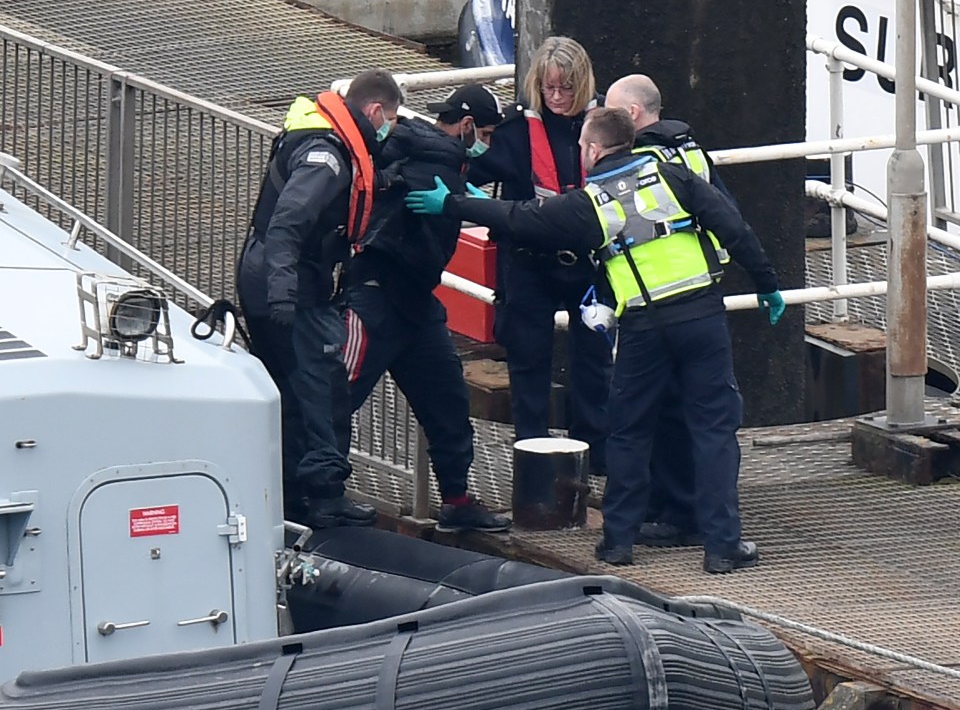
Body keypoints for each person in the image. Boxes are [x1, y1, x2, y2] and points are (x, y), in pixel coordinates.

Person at [405, 107, 786, 574]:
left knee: (628, 432)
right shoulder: (673, 177)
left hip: (644, 328)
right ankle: (723, 546)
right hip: (701, 318)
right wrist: (766, 284)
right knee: (714, 432)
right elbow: (734, 228)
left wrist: (455, 204)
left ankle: (618, 543)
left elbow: (522, 217)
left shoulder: (590, 201)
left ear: (593, 149)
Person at [236, 68, 403, 529]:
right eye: (389, 120)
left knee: (288, 387)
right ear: (374, 111)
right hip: (289, 282)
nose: (389, 129)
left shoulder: (322, 136)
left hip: (270, 274)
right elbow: (290, 221)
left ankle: (288, 490)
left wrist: (387, 181)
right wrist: (284, 292)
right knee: (324, 386)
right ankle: (324, 494)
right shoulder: (326, 157)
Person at [343, 84, 511, 532]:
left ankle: (457, 499)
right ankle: (315, 494)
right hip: (377, 296)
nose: (487, 146)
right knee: (334, 399)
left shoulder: (434, 155)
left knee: (448, 400)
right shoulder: (435, 159)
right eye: (487, 134)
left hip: (416, 300)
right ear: (468, 125)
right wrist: (461, 197)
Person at [466, 36, 612, 475]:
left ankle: (596, 461)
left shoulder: (606, 124)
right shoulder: (514, 130)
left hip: (589, 266)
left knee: (594, 364)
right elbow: (470, 167)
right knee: (528, 364)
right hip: (528, 263)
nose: (557, 98)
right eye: (549, 89)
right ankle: (532, 461)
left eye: (566, 89)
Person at [605, 73, 735, 549]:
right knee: (708, 423)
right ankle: (713, 531)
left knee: (639, 422)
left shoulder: (637, 164)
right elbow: (728, 217)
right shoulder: (691, 151)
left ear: (633, 115)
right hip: (702, 301)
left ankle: (640, 526)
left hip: (649, 309)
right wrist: (762, 281)